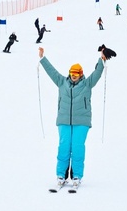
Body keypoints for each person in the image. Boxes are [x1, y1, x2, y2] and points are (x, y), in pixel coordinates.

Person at [39, 46, 107, 191]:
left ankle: (77, 176)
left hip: (81, 122)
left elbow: (97, 73)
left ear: (81, 74)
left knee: (77, 148)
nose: (74, 76)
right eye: (72, 73)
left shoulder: (87, 84)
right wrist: (42, 58)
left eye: (76, 74)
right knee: (64, 147)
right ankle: (61, 175)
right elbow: (52, 71)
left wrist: (101, 59)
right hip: (64, 120)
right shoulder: (62, 82)